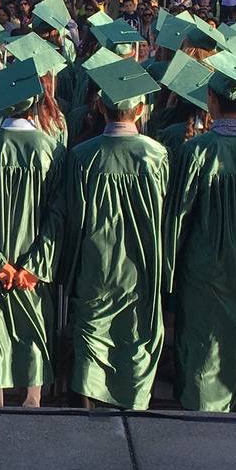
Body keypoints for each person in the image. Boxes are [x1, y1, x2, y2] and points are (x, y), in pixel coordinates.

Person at [164, 52, 236, 411]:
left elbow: (178, 213)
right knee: (227, 337)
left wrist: (170, 264)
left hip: (200, 262)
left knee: (198, 341)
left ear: (211, 98)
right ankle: (223, 408)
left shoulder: (197, 150)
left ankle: (196, 410)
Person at [63, 56, 167, 409]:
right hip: (141, 264)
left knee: (93, 332)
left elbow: (74, 218)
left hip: (95, 262)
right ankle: (132, 407)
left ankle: (90, 407)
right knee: (135, 334)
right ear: (140, 109)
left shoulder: (82, 156)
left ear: (101, 108)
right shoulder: (157, 156)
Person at [0, 62, 66, 407]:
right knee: (32, 332)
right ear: (34, 103)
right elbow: (57, 214)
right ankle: (32, 402)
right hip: (33, 270)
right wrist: (35, 264)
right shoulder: (53, 150)